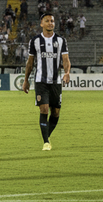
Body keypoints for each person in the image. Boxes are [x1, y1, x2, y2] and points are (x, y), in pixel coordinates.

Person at [22, 13, 71, 151]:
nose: (50, 23)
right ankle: (46, 142)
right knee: (43, 109)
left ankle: (46, 135)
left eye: (52, 21)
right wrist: (26, 80)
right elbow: (30, 62)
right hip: (40, 81)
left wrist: (67, 73)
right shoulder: (35, 41)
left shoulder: (61, 40)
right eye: (47, 21)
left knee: (55, 112)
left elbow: (66, 60)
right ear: (41, 24)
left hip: (56, 82)